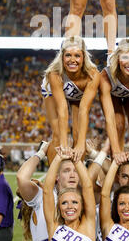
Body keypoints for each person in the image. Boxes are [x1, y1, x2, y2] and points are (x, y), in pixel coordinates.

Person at [16, 141, 80, 241]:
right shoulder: (42, 196)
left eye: (76, 171)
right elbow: (22, 178)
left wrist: (92, 153)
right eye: (66, 171)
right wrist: (42, 152)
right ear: (57, 176)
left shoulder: (84, 198)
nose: (72, 175)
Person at [41, 35, 100, 163]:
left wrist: (80, 144)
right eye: (68, 55)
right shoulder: (54, 74)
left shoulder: (93, 75)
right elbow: (62, 110)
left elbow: (84, 110)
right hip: (54, 91)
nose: (72, 60)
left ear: (83, 57)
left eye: (77, 56)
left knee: (79, 136)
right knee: (57, 134)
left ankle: (76, 175)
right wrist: (63, 144)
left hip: (77, 96)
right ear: (62, 57)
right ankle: (55, 175)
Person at [43, 146, 96, 241]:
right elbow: (47, 191)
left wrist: (77, 160)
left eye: (75, 202)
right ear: (59, 208)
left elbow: (87, 186)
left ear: (82, 207)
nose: (70, 207)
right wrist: (58, 158)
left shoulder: (89, 226)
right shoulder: (54, 228)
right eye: (64, 203)